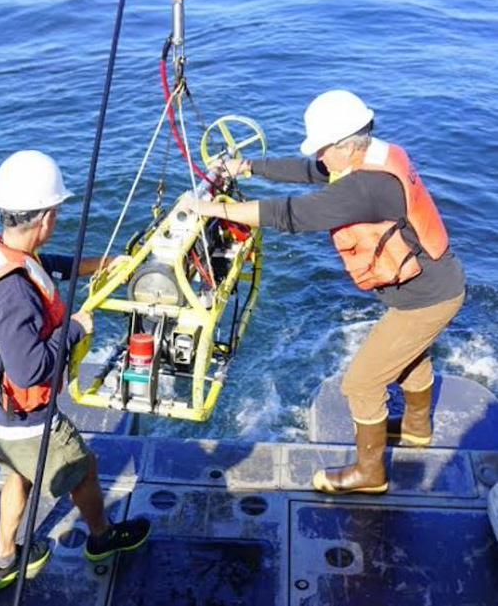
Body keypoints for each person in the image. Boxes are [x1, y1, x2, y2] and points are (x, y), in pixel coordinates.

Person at [182, 89, 465, 495]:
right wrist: (246, 166)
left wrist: (212, 210)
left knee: (362, 384)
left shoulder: (363, 189)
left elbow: (291, 214)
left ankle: (370, 474)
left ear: (347, 145)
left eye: (323, 148)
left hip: (426, 299)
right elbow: (311, 170)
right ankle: (417, 430)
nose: (319, 156)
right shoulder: (377, 154)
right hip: (434, 282)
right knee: (407, 356)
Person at [0, 150, 151, 589]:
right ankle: (102, 537)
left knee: (17, 471)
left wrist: (105, 263)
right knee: (85, 467)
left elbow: (45, 268)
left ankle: (3, 560)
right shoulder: (15, 295)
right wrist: (74, 328)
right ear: (45, 218)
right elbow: (30, 369)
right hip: (18, 421)